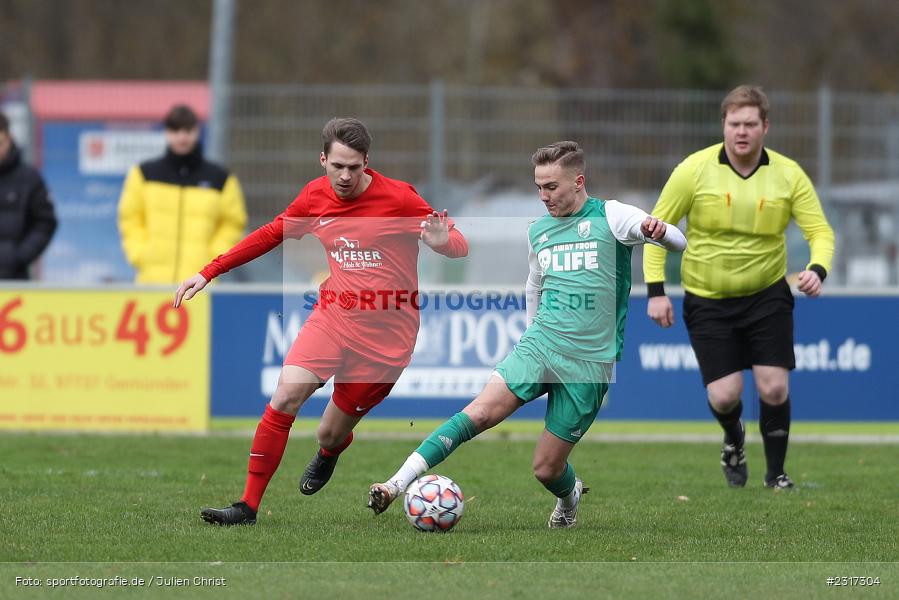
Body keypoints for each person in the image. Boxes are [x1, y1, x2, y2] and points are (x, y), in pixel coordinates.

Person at [368, 141, 686, 528]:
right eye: (538, 187)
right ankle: (394, 485)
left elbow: (677, 241)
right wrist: (533, 332)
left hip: (589, 362)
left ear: (578, 182)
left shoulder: (612, 215)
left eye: (551, 186)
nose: (543, 196)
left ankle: (569, 497)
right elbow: (533, 286)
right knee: (480, 412)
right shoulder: (539, 230)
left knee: (546, 469)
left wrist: (660, 231)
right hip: (540, 346)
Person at [174, 117, 469, 526]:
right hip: (333, 316)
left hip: (387, 341)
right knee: (284, 398)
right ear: (323, 160)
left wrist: (443, 242)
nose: (345, 176)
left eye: (354, 167)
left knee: (329, 433)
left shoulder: (399, 199)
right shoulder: (314, 197)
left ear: (367, 162)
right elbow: (270, 233)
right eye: (337, 166)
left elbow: (457, 243)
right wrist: (209, 271)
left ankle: (329, 453)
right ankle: (247, 506)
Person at [643, 85, 835, 490]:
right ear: (724, 126)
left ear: (765, 126)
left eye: (750, 124)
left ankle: (776, 475)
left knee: (774, 385)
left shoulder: (788, 174)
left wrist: (818, 269)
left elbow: (820, 232)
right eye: (734, 124)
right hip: (707, 299)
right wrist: (656, 292)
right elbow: (655, 230)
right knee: (725, 396)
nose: (742, 131)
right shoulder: (693, 170)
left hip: (767, 295)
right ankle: (734, 439)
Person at [118, 104, 247, 284]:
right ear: (167, 132)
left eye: (187, 130)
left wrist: (214, 258)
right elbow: (130, 218)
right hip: (152, 282)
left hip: (202, 282)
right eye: (175, 129)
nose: (182, 136)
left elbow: (233, 222)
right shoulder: (143, 174)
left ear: (197, 131)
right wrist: (140, 253)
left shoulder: (221, 178)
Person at [0, 111, 57, 279]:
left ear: (9, 139)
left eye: (0, 143)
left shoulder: (29, 178)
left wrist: (18, 256)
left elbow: (45, 222)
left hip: (13, 278)